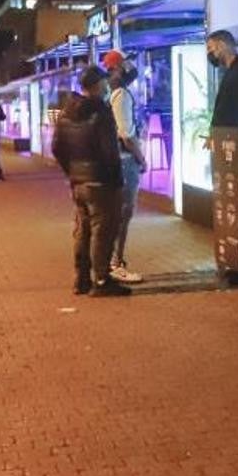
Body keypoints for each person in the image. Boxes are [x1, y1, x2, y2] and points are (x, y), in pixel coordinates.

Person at [51, 66, 132, 298]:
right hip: (101, 183)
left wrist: (72, 171)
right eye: (105, 83)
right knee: (103, 231)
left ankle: (82, 278)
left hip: (78, 183)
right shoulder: (101, 113)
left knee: (82, 230)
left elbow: (56, 148)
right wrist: (116, 179)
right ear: (97, 85)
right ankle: (102, 279)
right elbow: (110, 152)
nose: (108, 87)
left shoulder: (66, 113)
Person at [102, 49, 147, 284]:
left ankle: (111, 261)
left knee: (116, 214)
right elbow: (126, 135)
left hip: (114, 161)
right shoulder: (121, 95)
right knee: (123, 214)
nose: (130, 68)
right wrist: (141, 158)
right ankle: (115, 263)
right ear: (117, 69)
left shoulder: (110, 94)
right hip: (125, 161)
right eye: (125, 64)